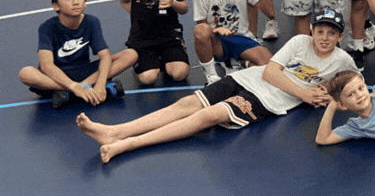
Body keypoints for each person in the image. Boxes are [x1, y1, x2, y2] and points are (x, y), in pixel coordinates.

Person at [77, 9, 358, 163]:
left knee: (208, 116)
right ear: (312, 31)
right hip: (248, 79)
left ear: (340, 37)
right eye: (320, 31)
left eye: (331, 33)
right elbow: (271, 72)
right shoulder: (299, 42)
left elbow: (356, 87)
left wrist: (332, 96)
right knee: (186, 104)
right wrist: (306, 94)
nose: (324, 37)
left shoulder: (342, 60)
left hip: (269, 102)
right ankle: (114, 132)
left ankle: (127, 145)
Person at [19, 0, 136, 109]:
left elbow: (105, 56)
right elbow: (47, 66)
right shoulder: (47, 27)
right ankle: (75, 90)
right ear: (56, 6)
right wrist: (74, 86)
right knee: (25, 73)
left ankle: (73, 93)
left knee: (131, 54)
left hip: (84, 71)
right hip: (57, 77)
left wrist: (100, 84)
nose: (75, 2)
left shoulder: (91, 22)